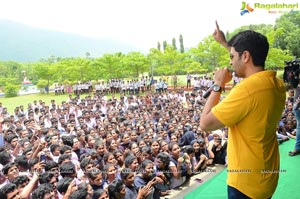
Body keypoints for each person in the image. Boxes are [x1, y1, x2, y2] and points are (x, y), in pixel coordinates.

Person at [200, 21, 286, 199]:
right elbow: (244, 61)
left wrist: (218, 84)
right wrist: (225, 44)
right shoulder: (275, 82)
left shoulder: (246, 91)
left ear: (246, 56)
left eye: (232, 56)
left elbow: (205, 124)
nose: (230, 62)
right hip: (266, 175)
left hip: (246, 184)